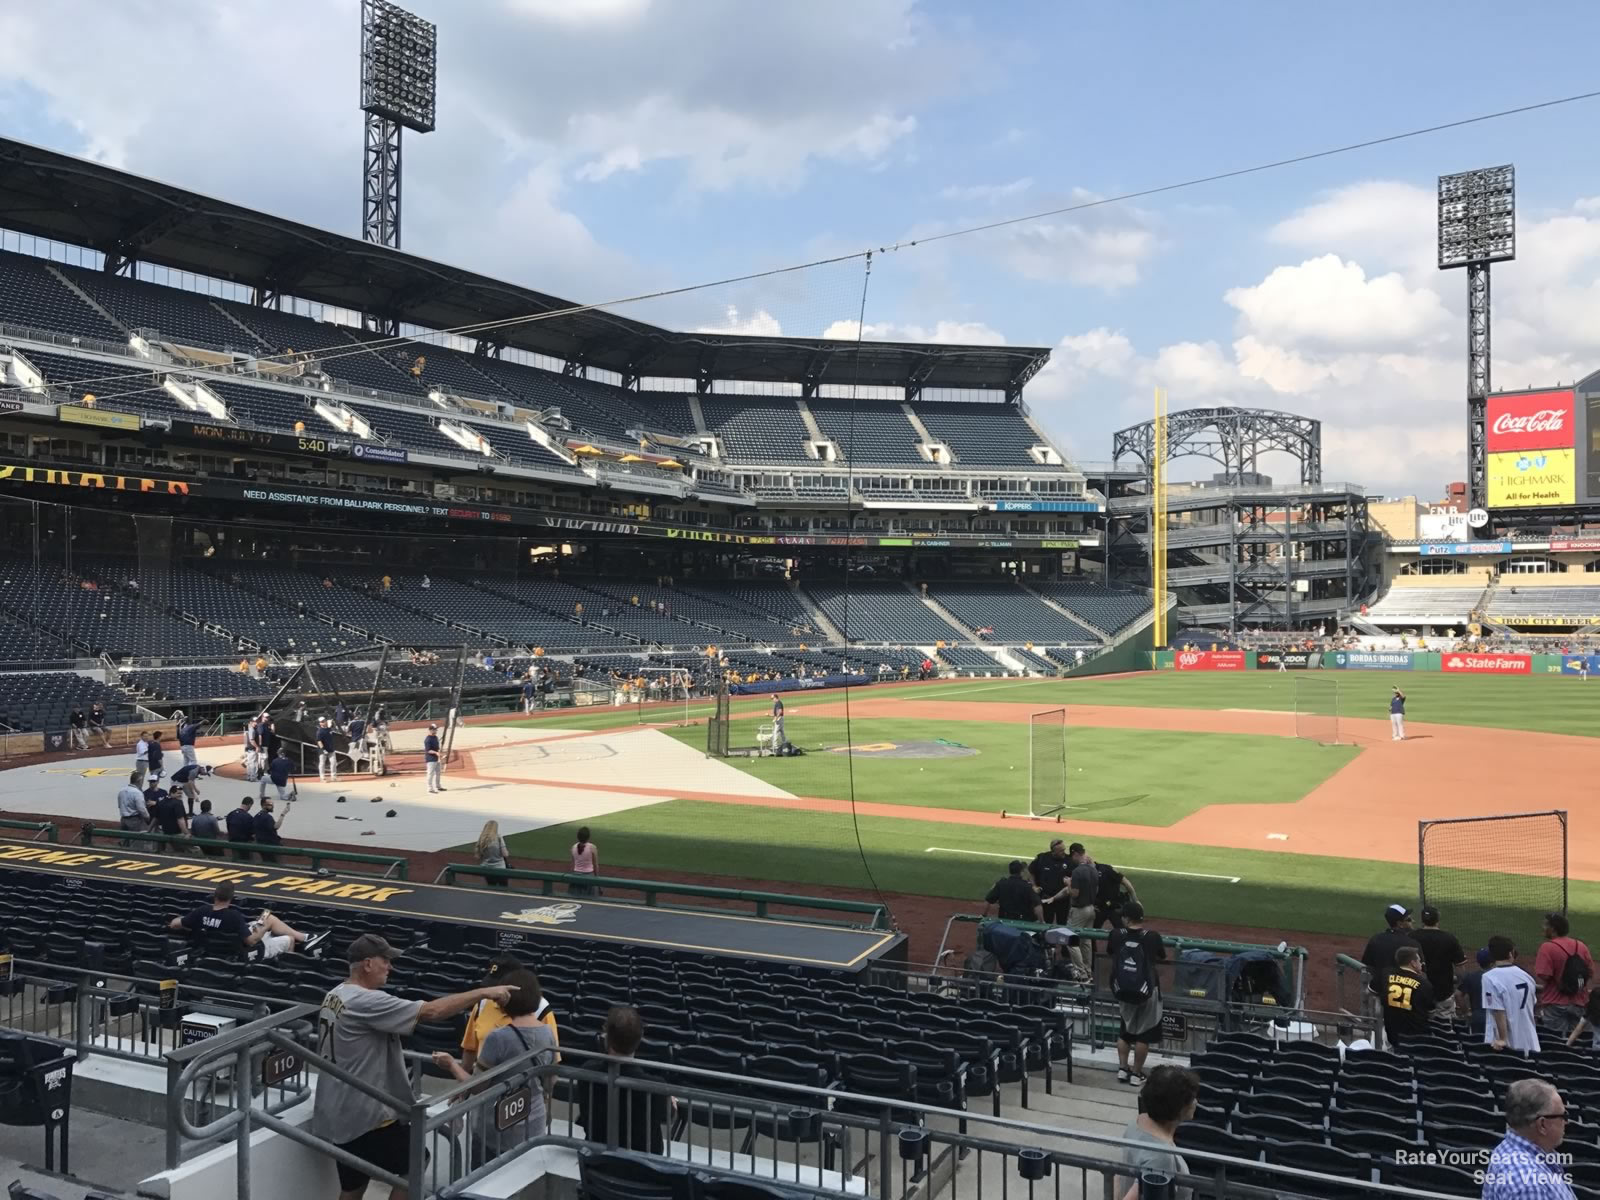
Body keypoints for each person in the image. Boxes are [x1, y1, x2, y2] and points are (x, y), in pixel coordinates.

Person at [311, 934, 518, 1200]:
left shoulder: (334, 994)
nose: (390, 966)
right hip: (365, 1113)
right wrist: (484, 992)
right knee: (416, 1162)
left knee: (353, 1184)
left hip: (339, 1109)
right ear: (367, 964)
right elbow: (432, 1012)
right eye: (385, 960)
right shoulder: (366, 1000)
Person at [431, 968, 558, 1165]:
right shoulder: (547, 1033)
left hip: (495, 1127)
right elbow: (550, 1082)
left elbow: (478, 1087)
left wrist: (450, 1065)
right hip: (534, 1123)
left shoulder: (498, 1038)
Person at [576, 1006, 668, 1155]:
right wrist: (670, 1102)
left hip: (598, 1162)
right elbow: (666, 1116)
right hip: (644, 1167)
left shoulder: (587, 1072)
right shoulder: (655, 1086)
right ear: (640, 1038)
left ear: (606, 1037)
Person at [168, 882, 325, 960]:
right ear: (231, 898)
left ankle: (305, 937)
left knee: (266, 916)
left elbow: (175, 924)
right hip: (244, 952)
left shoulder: (201, 911)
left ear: (214, 895)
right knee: (282, 933)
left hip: (214, 949)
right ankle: (297, 949)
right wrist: (262, 929)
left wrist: (184, 919)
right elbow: (251, 941)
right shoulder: (234, 915)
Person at [1482, 1079, 1577, 1200]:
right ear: (1542, 1124)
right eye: (1563, 1116)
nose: (1566, 1122)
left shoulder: (1508, 1147)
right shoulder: (1530, 1185)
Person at [1119, 1065, 1200, 1200]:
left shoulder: (1137, 1123)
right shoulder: (1161, 1156)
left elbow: (1119, 1177)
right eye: (1191, 1099)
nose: (1196, 1102)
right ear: (1178, 1108)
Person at [1108, 902, 1166, 1085]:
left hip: (1124, 990)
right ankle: (1136, 1073)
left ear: (1126, 918)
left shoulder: (1116, 935)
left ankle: (1123, 1069)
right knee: (1144, 1035)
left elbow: (1111, 951)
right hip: (1147, 990)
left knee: (1125, 1032)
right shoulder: (1153, 937)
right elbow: (1161, 955)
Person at [1535, 912, 1593, 1038]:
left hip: (1555, 1003)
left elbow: (1544, 975)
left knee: (1554, 1041)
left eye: (1546, 925)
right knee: (1578, 1042)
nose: (1543, 928)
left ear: (1553, 929)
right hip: (1580, 1002)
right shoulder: (1581, 946)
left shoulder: (1547, 947)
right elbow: (1589, 972)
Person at [1482, 935, 1542, 1053]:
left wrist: (1503, 1039)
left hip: (1508, 1045)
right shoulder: (1527, 976)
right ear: (1510, 954)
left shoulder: (1489, 977)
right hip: (1530, 1040)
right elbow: (1532, 1004)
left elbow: (1497, 1010)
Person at [1412, 904, 1465, 1028]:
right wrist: (1458, 985)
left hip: (1418, 989)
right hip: (1444, 990)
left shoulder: (1412, 937)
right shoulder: (1449, 938)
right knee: (1445, 1028)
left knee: (1419, 1023)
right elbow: (1460, 967)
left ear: (1422, 920)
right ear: (1438, 920)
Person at [1380, 945, 1435, 1046]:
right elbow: (1431, 1013)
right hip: (1417, 1038)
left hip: (1392, 1034)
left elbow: (1374, 991)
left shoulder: (1386, 974)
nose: (1421, 964)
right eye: (1419, 960)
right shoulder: (1424, 983)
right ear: (1413, 963)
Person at [1359, 904, 1419, 995]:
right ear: (1400, 924)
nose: (1413, 921)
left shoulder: (1376, 939)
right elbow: (1420, 971)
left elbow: (1368, 966)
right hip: (1406, 996)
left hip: (1381, 992)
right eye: (1409, 920)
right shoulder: (1412, 944)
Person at [1027, 839, 1072, 924]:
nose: (1064, 852)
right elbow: (1031, 871)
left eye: (1064, 849)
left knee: (1062, 924)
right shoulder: (1042, 858)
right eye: (1061, 851)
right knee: (1046, 924)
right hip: (1046, 899)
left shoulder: (1069, 860)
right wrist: (1034, 886)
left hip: (1063, 900)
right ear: (1054, 851)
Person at [1456, 947, 1493, 1040]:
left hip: (1477, 1017)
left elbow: (1457, 994)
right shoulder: (1498, 977)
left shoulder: (1471, 976)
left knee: (1478, 1046)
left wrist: (1466, 1012)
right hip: (1496, 1016)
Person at [1067, 844, 1099, 929]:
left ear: (1076, 854)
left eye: (1073, 856)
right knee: (1086, 939)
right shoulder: (1094, 870)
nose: (1072, 859)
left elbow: (1074, 894)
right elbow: (1096, 890)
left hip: (1080, 911)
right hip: (1091, 909)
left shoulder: (1076, 871)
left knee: (1072, 936)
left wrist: (1068, 884)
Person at [150, 786, 191, 851]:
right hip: (177, 834)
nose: (180, 795)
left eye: (181, 794)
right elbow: (180, 820)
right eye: (178, 793)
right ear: (171, 793)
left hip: (164, 833)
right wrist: (187, 833)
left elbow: (156, 818)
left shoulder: (161, 801)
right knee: (181, 852)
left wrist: (149, 830)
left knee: (163, 852)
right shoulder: (178, 803)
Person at [116, 772, 147, 845]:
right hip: (134, 820)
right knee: (135, 842)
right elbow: (141, 809)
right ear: (139, 781)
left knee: (124, 841)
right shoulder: (137, 793)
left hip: (123, 819)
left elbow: (119, 805)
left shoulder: (122, 791)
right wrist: (147, 817)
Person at [254, 795, 286, 864]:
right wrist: (283, 814)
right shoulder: (267, 817)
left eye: (272, 804)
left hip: (260, 845)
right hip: (271, 846)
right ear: (263, 805)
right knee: (277, 864)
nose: (272, 806)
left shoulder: (257, 816)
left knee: (266, 863)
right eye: (270, 804)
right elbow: (276, 826)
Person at [477, 820, 510, 887]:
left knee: (491, 887)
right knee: (503, 888)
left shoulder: (482, 838)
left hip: (486, 868)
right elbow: (505, 854)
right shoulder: (498, 837)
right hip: (500, 868)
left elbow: (478, 855)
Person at [570, 827, 599, 897]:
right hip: (589, 876)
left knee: (575, 897)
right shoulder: (592, 847)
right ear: (588, 837)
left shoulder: (573, 847)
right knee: (591, 899)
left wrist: (572, 876)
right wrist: (597, 879)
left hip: (576, 875)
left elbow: (572, 865)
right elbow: (595, 865)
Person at [225, 796, 256, 860]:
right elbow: (252, 833)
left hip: (233, 843)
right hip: (245, 845)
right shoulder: (248, 817)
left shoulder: (231, 814)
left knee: (236, 860)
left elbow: (228, 827)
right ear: (250, 804)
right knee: (247, 861)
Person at [424, 723, 444, 794]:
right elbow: (428, 750)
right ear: (430, 730)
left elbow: (437, 747)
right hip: (430, 759)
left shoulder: (435, 737)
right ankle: (430, 788)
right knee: (430, 774)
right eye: (434, 729)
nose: (436, 731)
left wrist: (439, 753)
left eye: (436, 729)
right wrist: (436, 753)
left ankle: (438, 786)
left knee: (438, 773)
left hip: (436, 758)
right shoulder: (427, 739)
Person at [317, 717, 338, 782]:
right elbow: (319, 741)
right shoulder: (319, 731)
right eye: (321, 722)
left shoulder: (329, 729)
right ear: (320, 723)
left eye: (323, 721)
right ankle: (322, 777)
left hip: (331, 749)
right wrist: (323, 749)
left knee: (334, 763)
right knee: (322, 763)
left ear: (326, 721)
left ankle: (333, 777)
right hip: (323, 750)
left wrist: (332, 721)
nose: (322, 723)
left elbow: (334, 726)